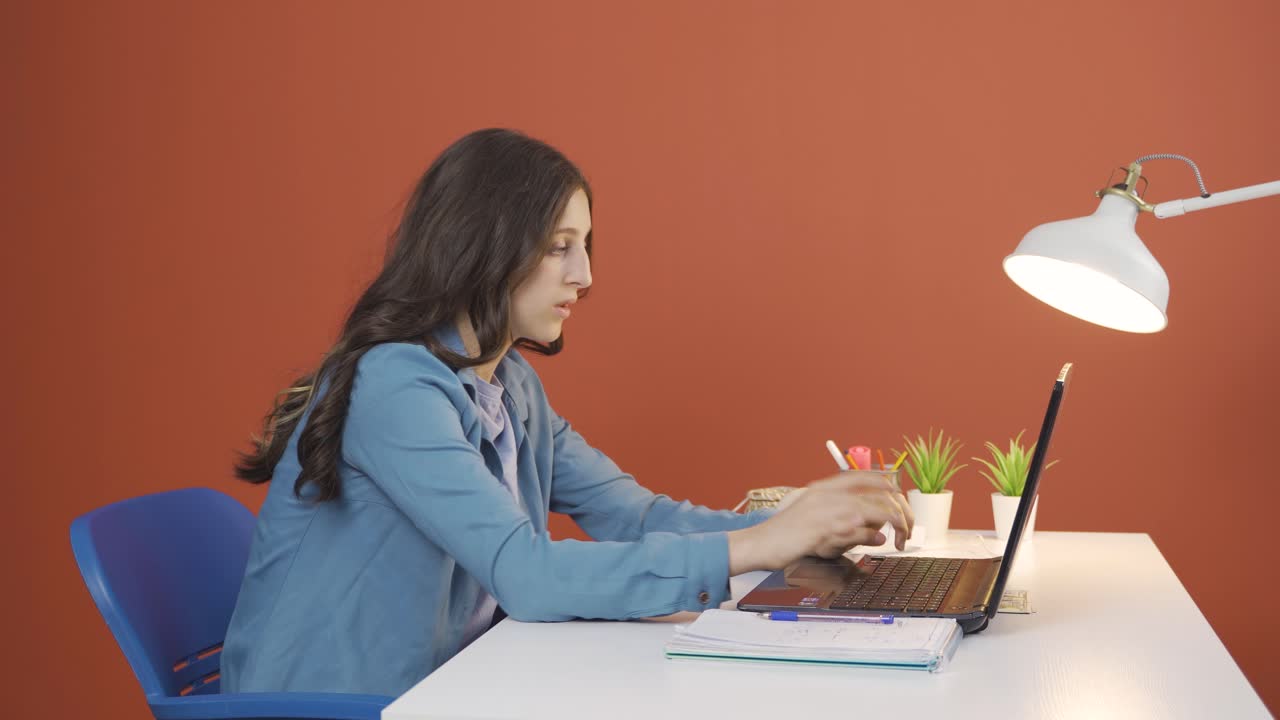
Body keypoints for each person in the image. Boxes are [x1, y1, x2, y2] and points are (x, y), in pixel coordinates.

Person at [222, 128, 913, 697]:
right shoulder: (394, 385)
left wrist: (796, 528)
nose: (584, 275)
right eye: (558, 248)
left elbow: (636, 516)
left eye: (583, 246)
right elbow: (527, 574)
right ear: (482, 245)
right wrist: (763, 545)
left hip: (452, 688)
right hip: (347, 705)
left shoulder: (510, 386)